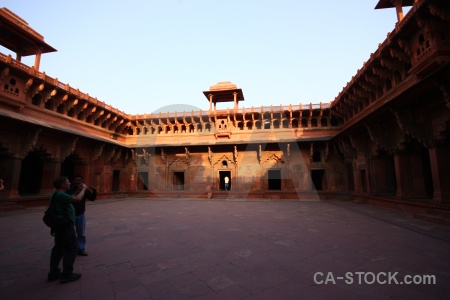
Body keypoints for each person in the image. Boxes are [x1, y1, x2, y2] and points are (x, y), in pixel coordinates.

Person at [48, 176, 87, 284]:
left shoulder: (58, 194)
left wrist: (78, 190)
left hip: (60, 225)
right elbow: (77, 199)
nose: (70, 183)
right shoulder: (60, 194)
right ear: (62, 185)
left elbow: (70, 197)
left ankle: (54, 272)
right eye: (68, 182)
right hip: (65, 225)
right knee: (71, 248)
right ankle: (67, 274)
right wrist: (83, 190)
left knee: (59, 247)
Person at [66, 175, 96, 256]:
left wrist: (94, 190)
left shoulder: (85, 190)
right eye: (76, 180)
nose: (78, 182)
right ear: (73, 181)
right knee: (69, 233)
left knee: (81, 233)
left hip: (80, 214)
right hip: (69, 215)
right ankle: (70, 248)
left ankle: (81, 248)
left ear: (82, 181)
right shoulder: (68, 190)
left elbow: (92, 198)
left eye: (79, 180)